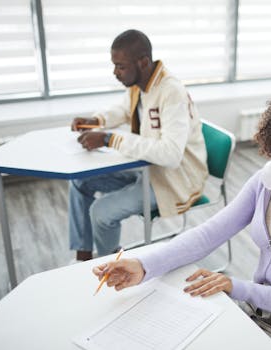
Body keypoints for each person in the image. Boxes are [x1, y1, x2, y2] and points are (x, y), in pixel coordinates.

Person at [93, 84, 271, 349]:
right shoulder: (268, 180)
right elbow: (208, 234)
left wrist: (239, 288)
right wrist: (143, 265)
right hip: (257, 313)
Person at [69, 29, 208, 261]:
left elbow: (172, 155)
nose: (115, 72)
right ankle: (83, 257)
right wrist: (97, 121)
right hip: (147, 165)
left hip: (173, 177)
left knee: (101, 213)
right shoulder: (139, 84)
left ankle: (109, 267)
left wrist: (108, 139)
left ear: (142, 62)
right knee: (79, 180)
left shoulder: (171, 91)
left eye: (120, 66)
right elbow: (125, 110)